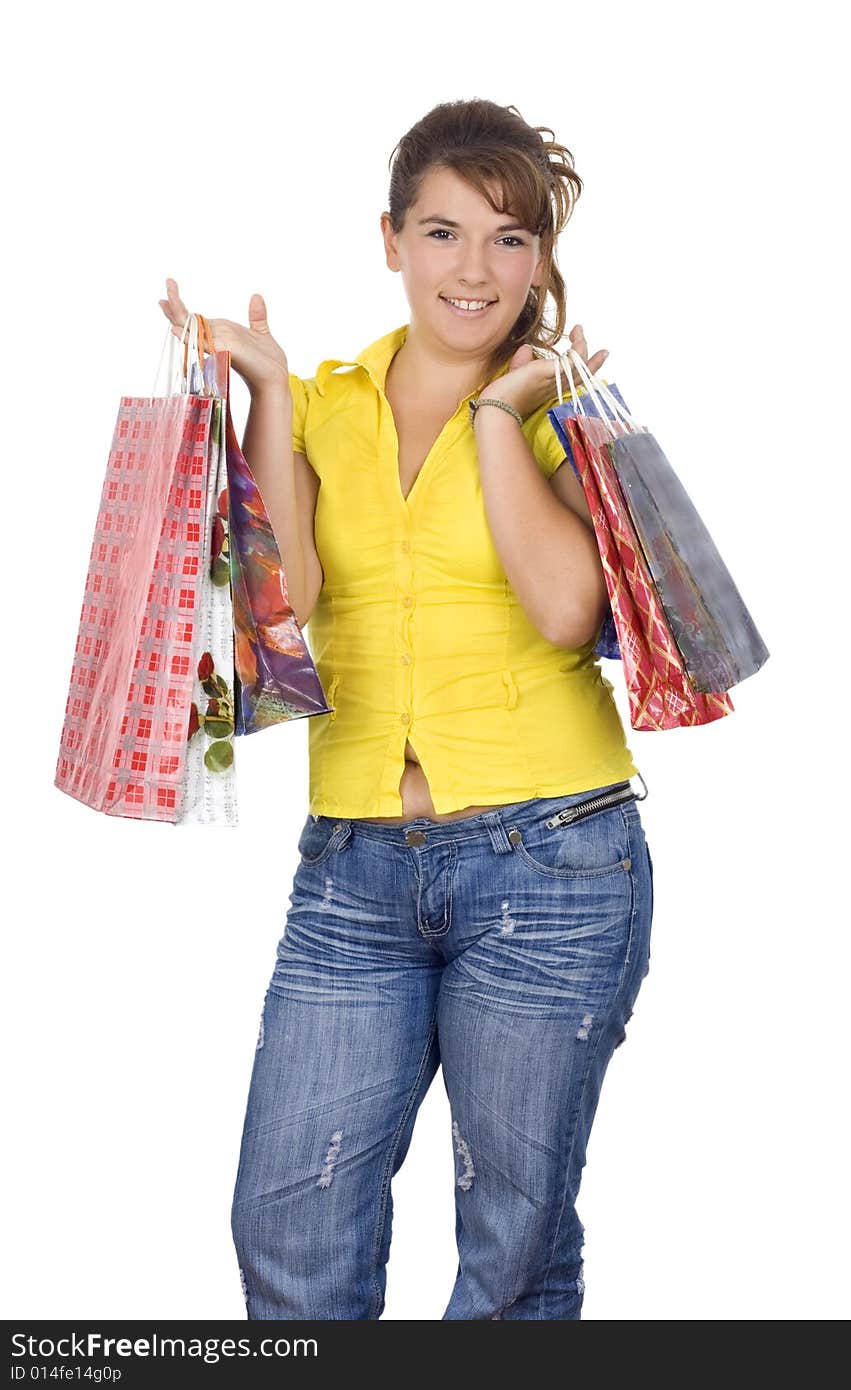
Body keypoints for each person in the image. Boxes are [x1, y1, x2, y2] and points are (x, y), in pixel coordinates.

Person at [160, 98, 654, 1321]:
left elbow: (559, 608)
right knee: (287, 1221)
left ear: (539, 257)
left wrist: (497, 413)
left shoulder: (562, 411)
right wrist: (265, 389)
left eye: (508, 238)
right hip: (353, 871)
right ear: (390, 240)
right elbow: (299, 597)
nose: (473, 270)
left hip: (553, 864)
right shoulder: (329, 401)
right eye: (442, 232)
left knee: (511, 1249)